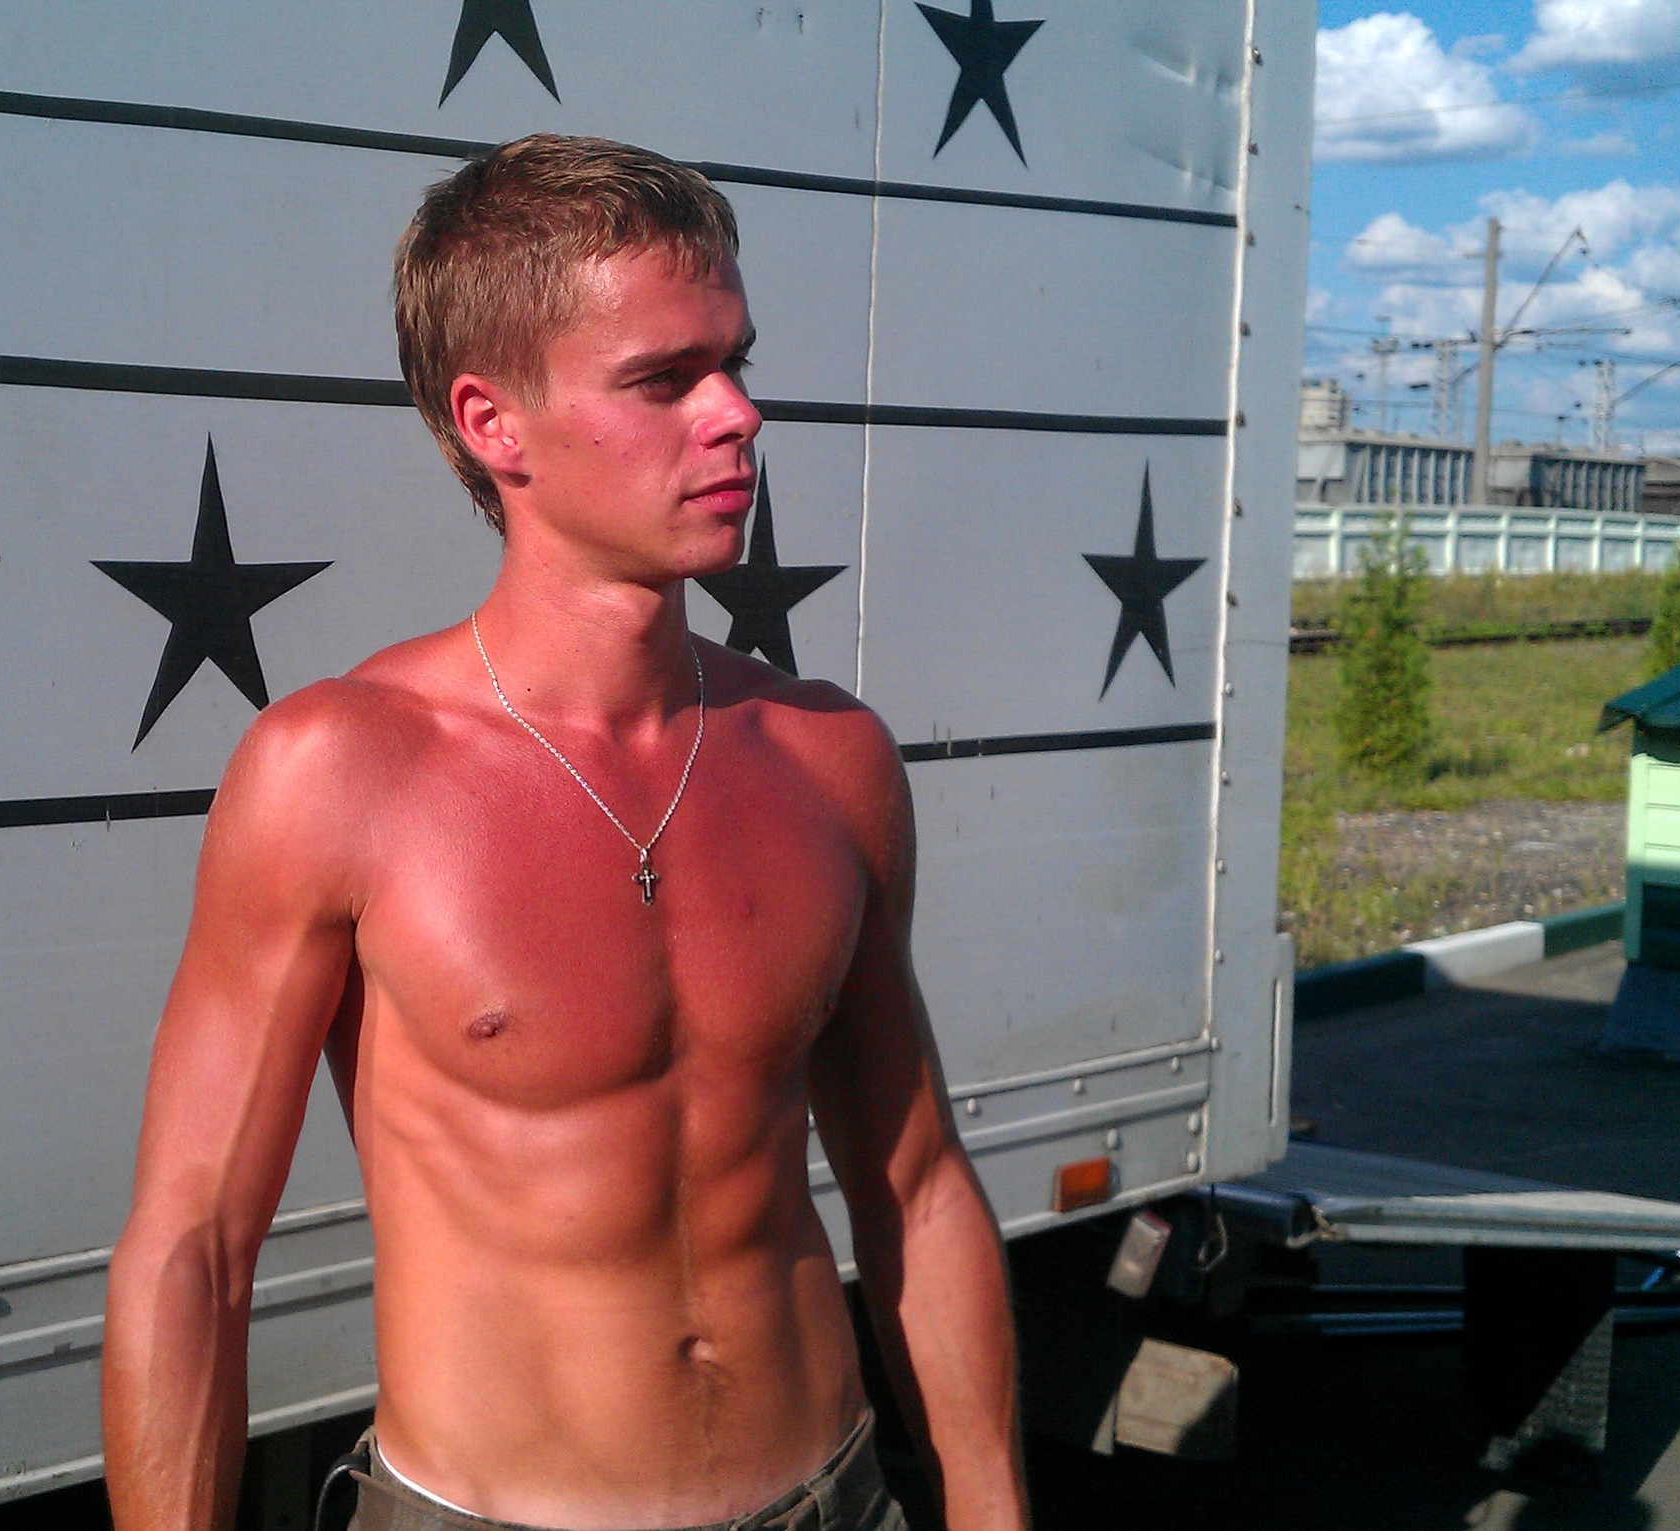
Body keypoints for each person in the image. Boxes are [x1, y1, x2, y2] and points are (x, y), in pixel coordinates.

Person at [103, 134, 1027, 1531]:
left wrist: (991, 1504)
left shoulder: (829, 756)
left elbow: (915, 1182)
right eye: (665, 379)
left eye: (736, 364)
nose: (737, 416)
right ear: (494, 423)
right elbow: (193, 1250)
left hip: (833, 1497)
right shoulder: (341, 771)